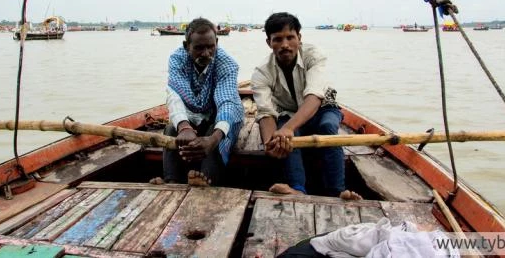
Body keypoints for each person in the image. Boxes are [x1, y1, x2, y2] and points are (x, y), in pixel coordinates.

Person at [251, 12, 362, 200]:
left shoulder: (314, 55)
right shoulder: (262, 72)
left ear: (299, 38)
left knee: (327, 127)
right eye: (277, 39)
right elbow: (265, 112)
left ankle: (337, 191)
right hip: (288, 113)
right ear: (269, 43)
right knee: (286, 139)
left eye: (290, 37)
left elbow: (314, 97)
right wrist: (270, 142)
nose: (285, 45)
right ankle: (297, 188)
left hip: (324, 108)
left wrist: (287, 128)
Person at [151, 17, 244, 186]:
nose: (206, 53)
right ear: (187, 46)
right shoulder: (177, 59)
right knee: (172, 129)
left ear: (217, 42)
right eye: (199, 48)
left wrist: (214, 139)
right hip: (192, 114)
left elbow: (227, 102)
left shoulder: (227, 64)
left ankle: (206, 179)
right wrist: (184, 127)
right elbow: (174, 95)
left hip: (218, 115)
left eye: (210, 47)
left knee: (213, 133)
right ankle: (171, 180)